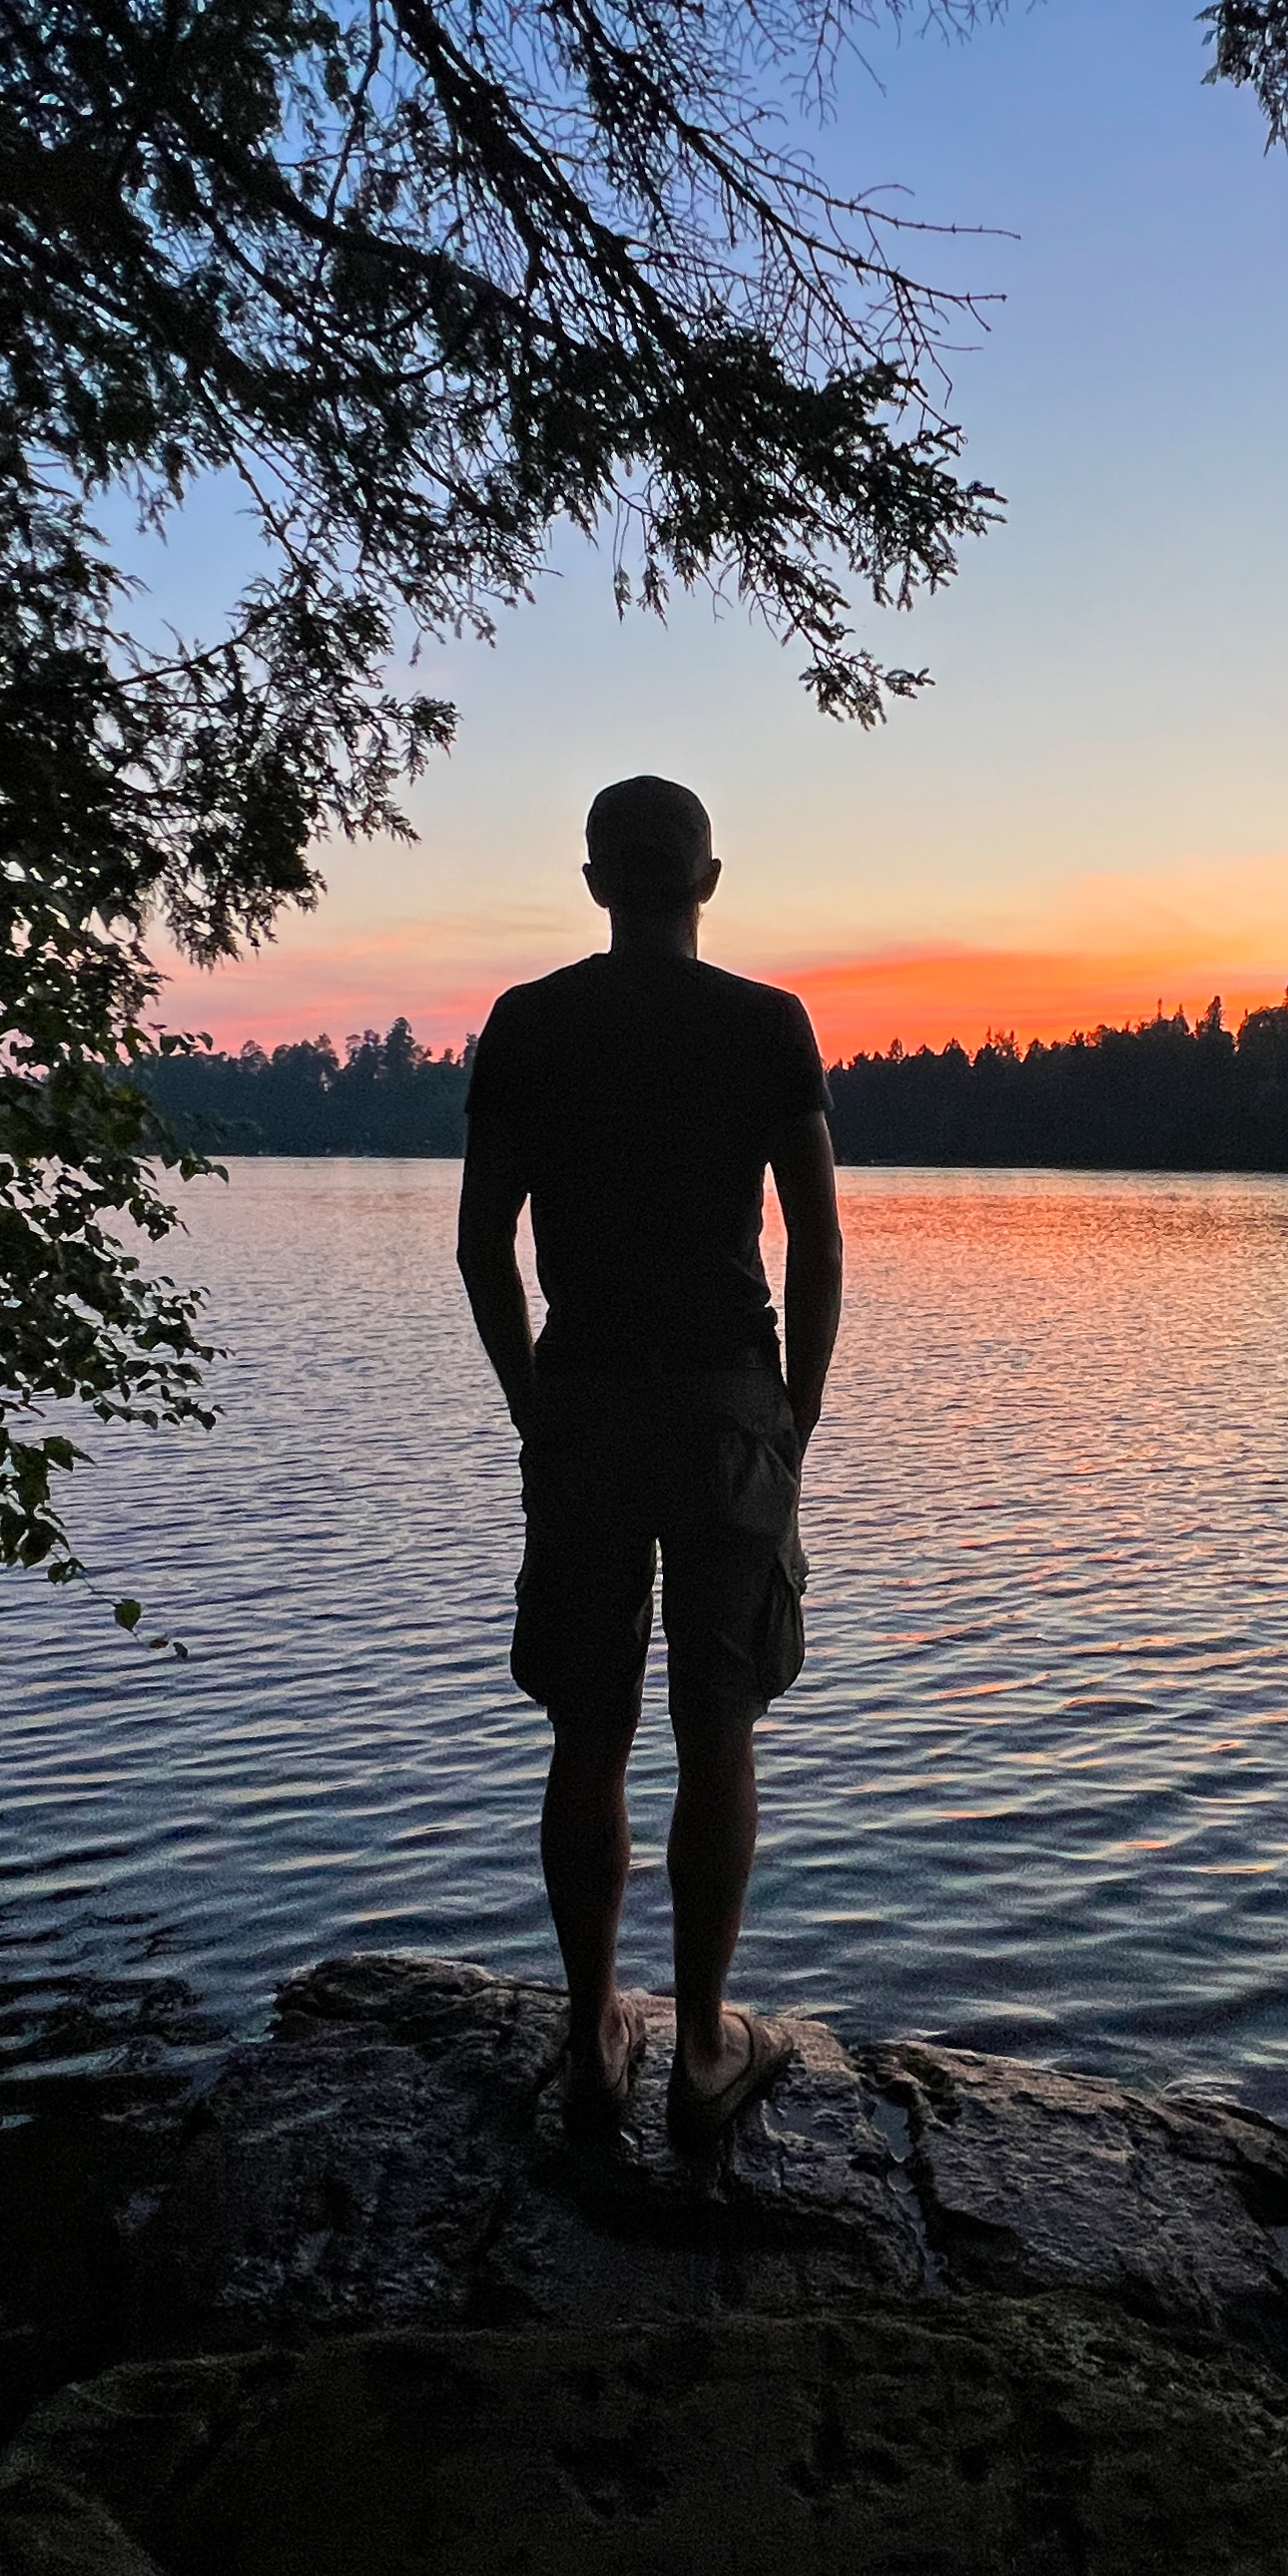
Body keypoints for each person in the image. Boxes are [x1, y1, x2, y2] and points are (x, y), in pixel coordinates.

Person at [455, 776, 844, 2147]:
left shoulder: (529, 1022)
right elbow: (816, 1239)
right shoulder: (762, 1023)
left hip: (587, 1406)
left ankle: (588, 2033)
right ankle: (695, 2047)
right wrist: (791, 1416)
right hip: (728, 1407)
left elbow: (477, 1245)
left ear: (593, 881)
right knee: (717, 1728)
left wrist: (527, 1401)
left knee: (590, 1731)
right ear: (708, 880)